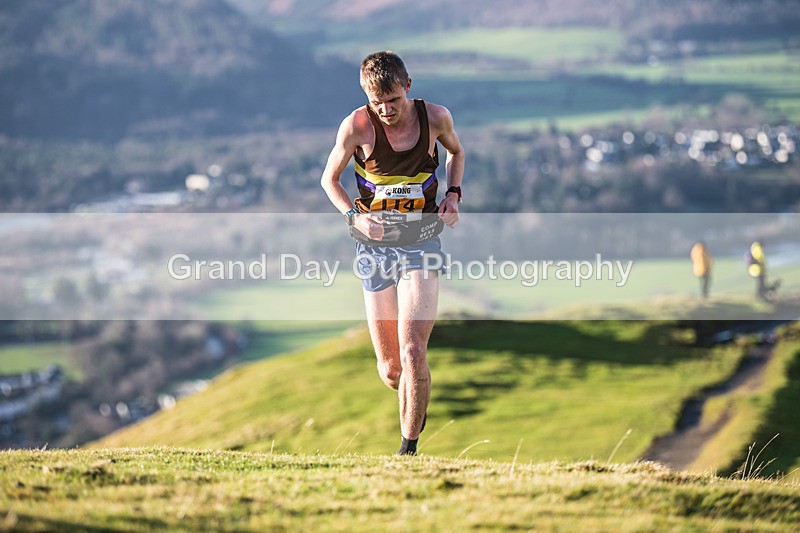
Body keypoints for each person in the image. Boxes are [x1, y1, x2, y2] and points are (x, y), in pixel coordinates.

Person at [320, 51, 464, 455]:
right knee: (391, 369)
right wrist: (354, 218)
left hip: (422, 241)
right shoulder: (356, 126)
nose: (386, 110)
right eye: (377, 102)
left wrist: (453, 195)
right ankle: (414, 400)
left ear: (408, 87)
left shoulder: (436, 118)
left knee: (414, 346)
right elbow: (329, 180)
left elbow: (457, 153)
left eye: (394, 101)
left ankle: (408, 448)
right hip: (373, 247)